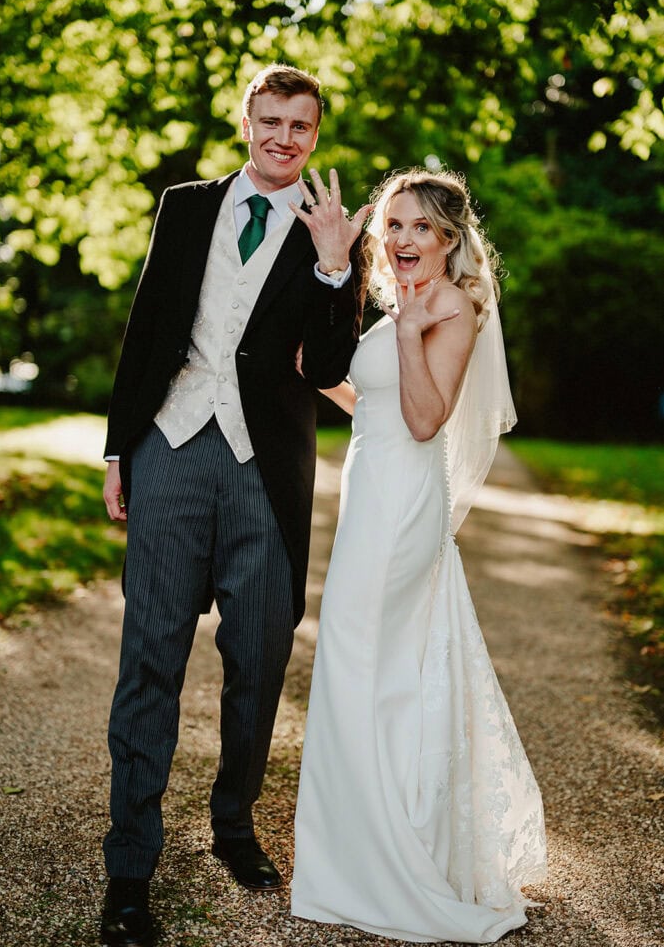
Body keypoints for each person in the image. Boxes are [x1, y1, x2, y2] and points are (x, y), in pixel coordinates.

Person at [99, 64, 371, 947]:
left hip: (267, 469)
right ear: (244, 121)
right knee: (150, 660)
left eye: (300, 126)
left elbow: (330, 369)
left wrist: (336, 267)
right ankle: (129, 866)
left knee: (258, 660)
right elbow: (145, 328)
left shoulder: (333, 232)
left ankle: (232, 825)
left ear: (315, 136)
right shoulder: (184, 206)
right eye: (270, 120)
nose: (283, 137)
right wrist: (116, 448)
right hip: (169, 450)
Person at [290, 168, 547, 943]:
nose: (402, 240)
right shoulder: (401, 303)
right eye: (393, 226)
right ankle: (353, 848)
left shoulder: (451, 308)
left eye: (419, 229)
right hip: (372, 491)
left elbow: (427, 417)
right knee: (366, 662)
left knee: (361, 657)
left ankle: (383, 857)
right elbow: (374, 400)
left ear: (447, 240)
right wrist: (320, 373)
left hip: (404, 502)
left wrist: (404, 332)